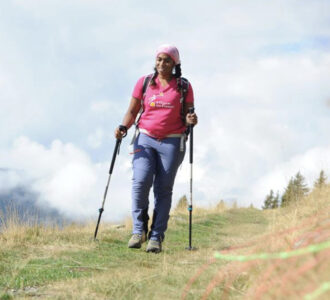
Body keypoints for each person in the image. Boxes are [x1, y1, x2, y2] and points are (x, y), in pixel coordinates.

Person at [114, 44, 198, 253]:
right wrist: (123, 127)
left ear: (175, 63)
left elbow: (190, 116)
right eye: (159, 59)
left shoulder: (183, 87)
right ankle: (138, 230)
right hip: (145, 139)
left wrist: (191, 120)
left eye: (167, 60)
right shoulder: (144, 83)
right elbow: (132, 111)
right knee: (140, 182)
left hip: (172, 141)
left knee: (163, 189)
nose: (162, 64)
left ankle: (156, 236)